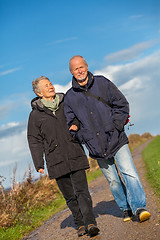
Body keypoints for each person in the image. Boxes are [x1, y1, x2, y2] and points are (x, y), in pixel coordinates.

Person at [64, 55, 151, 223]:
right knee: (113, 181)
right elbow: (71, 123)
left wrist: (117, 125)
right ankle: (125, 208)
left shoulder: (102, 82)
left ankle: (139, 207)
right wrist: (83, 137)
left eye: (82, 67)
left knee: (129, 173)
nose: (80, 71)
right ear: (71, 72)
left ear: (87, 66)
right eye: (76, 69)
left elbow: (121, 103)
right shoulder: (70, 97)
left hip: (116, 138)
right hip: (95, 146)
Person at [27, 76, 99, 237]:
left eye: (50, 84)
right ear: (39, 93)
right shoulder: (35, 116)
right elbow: (34, 140)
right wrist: (39, 163)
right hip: (55, 159)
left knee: (82, 191)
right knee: (70, 195)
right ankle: (80, 223)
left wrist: (76, 125)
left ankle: (90, 222)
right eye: (46, 86)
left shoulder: (65, 102)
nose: (50, 87)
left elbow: (78, 116)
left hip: (73, 151)